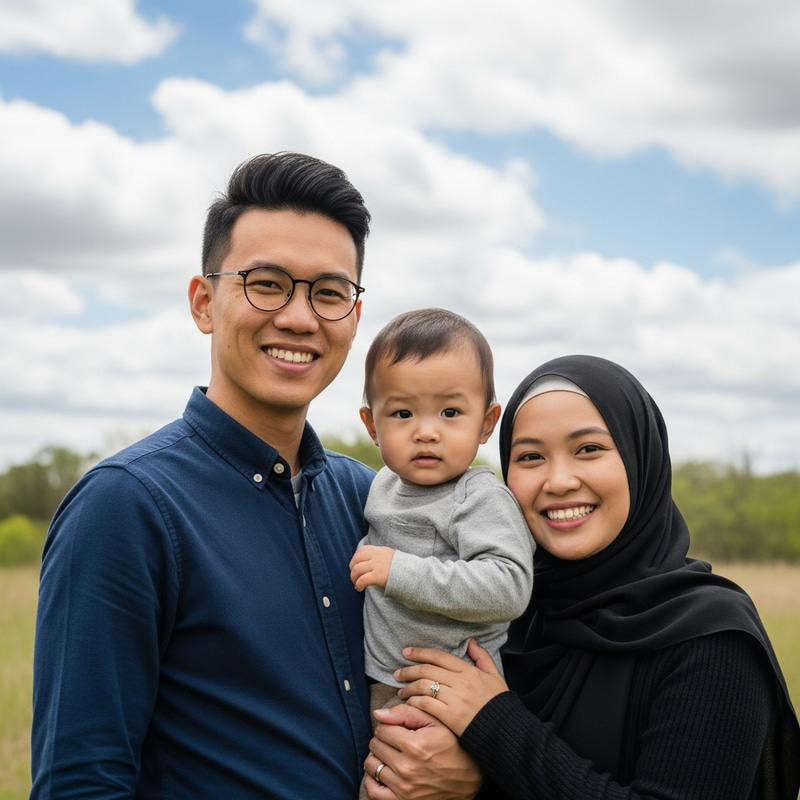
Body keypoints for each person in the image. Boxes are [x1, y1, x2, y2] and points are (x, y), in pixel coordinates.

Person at [30, 152, 376, 799]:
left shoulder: (370, 500)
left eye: (329, 292)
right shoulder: (126, 508)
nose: (300, 317)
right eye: (266, 283)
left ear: (354, 318)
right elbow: (81, 781)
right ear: (203, 302)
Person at [365, 354, 800, 800]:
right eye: (530, 456)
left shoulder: (710, 637)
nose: (558, 481)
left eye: (588, 449)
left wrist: (491, 730)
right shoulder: (502, 610)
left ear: (639, 456)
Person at [350, 309, 534, 795]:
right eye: (403, 413)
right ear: (372, 423)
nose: (426, 431)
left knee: (395, 788)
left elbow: (509, 585)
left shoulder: (479, 496)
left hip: (447, 690)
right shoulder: (383, 486)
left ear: (487, 422)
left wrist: (398, 571)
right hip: (389, 680)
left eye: (450, 413)